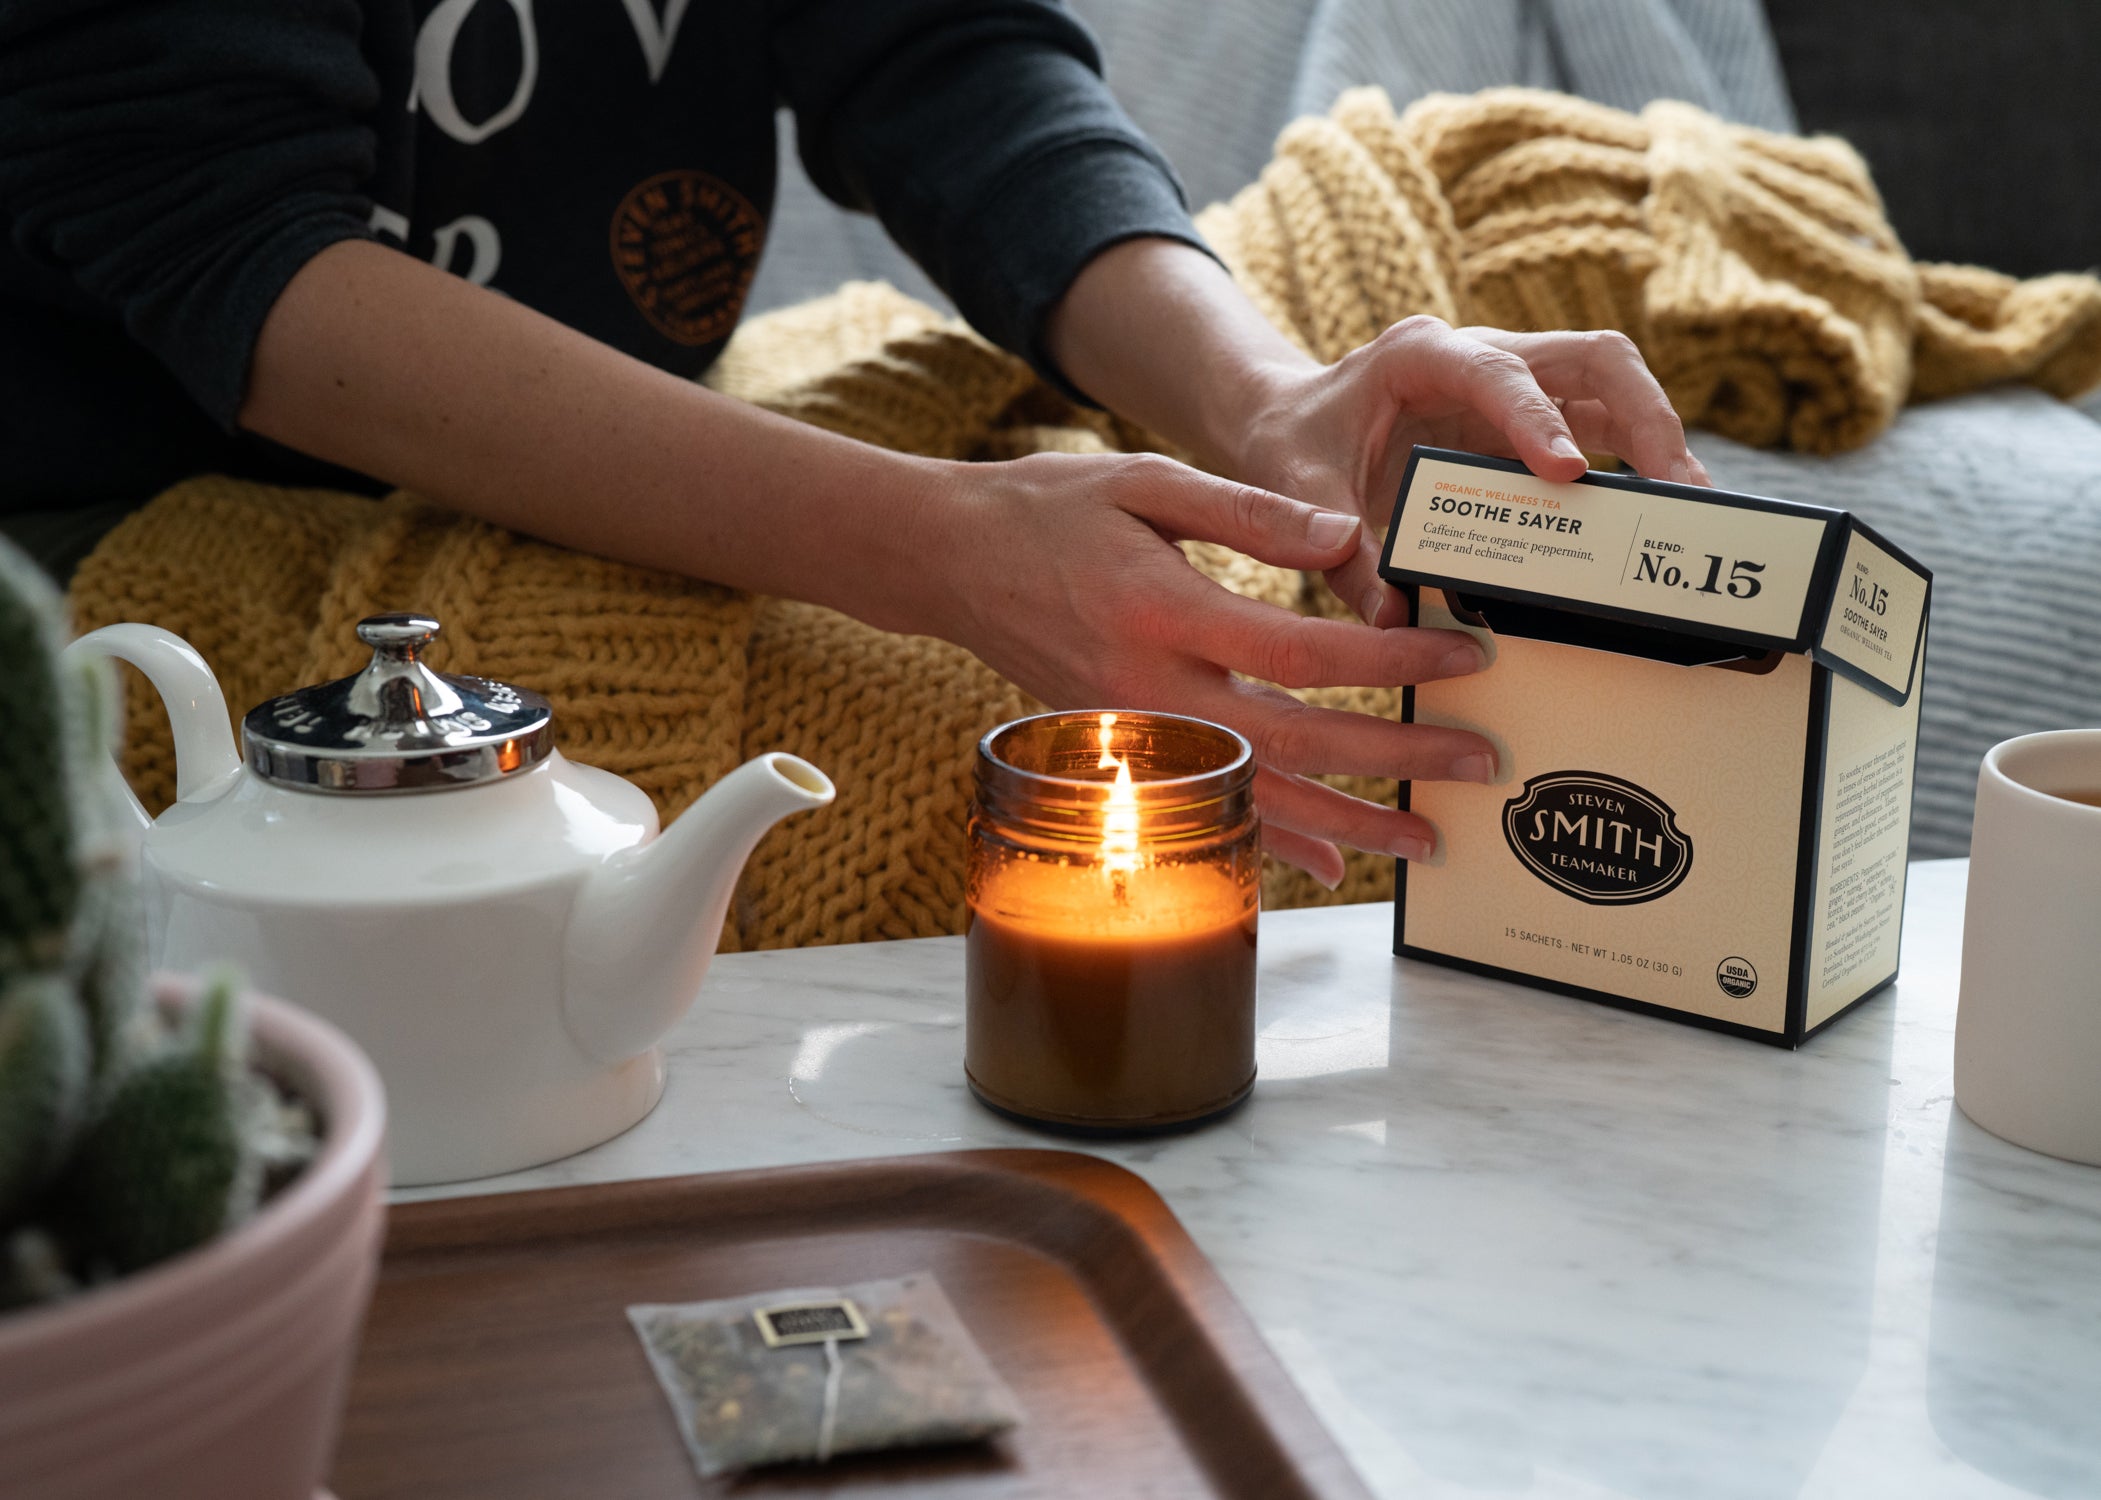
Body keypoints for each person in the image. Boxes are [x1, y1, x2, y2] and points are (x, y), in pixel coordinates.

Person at [0, 0, 1705, 886]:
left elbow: (946, 59)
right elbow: (240, 260)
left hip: (598, 478)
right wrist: (933, 547)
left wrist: (1270, 403)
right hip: (108, 550)